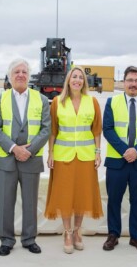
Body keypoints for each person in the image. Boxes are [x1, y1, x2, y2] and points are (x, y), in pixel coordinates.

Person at [0, 59, 51, 256]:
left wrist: (29, 150)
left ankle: (29, 238)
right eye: (17, 71)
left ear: (29, 75)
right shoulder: (0, 99)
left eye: (24, 71)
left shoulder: (40, 99)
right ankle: (6, 240)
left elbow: (46, 128)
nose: (21, 75)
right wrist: (15, 148)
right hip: (7, 159)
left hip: (31, 159)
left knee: (30, 202)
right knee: (6, 202)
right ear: (10, 76)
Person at [44, 67, 103, 254]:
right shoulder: (56, 102)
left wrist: (98, 152)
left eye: (80, 77)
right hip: (64, 156)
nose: (77, 80)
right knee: (65, 195)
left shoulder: (92, 102)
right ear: (68, 80)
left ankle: (78, 231)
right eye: (74, 77)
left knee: (81, 195)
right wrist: (50, 153)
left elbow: (96, 130)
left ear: (84, 82)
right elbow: (52, 130)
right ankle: (67, 232)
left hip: (85, 156)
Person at [103, 66, 137, 252]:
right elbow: (108, 129)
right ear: (124, 82)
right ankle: (113, 235)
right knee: (114, 200)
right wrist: (126, 151)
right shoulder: (112, 101)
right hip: (116, 161)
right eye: (130, 80)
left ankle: (136, 237)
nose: (133, 84)